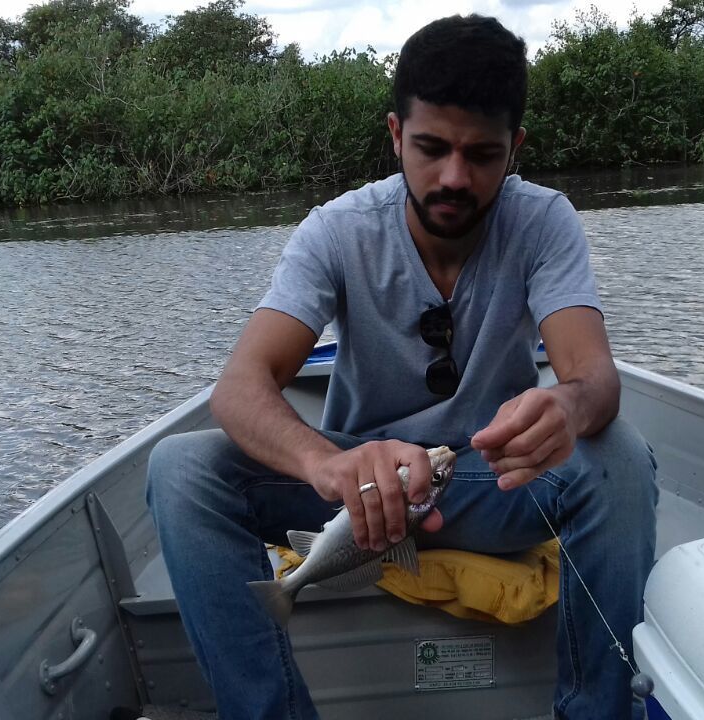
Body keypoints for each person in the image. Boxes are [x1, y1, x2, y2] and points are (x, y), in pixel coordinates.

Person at [145, 14, 658, 720]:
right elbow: (240, 386)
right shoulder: (337, 230)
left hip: (484, 478)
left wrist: (567, 409)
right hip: (350, 491)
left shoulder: (544, 221)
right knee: (181, 468)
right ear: (395, 136)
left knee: (620, 458)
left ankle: (594, 713)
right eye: (430, 148)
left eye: (482, 154)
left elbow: (594, 378)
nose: (454, 177)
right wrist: (327, 466)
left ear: (516, 150)